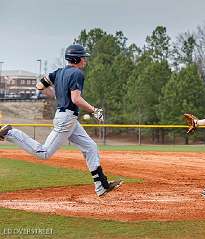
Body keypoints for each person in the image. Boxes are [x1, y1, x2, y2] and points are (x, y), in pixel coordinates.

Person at [0, 44, 122, 197]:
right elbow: (76, 99)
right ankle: (11, 133)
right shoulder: (77, 74)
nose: (85, 60)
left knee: (90, 147)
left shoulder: (58, 72)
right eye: (83, 57)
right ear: (76, 59)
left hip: (66, 117)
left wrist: (59, 95)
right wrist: (94, 110)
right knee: (44, 153)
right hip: (66, 119)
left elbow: (39, 86)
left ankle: (101, 186)